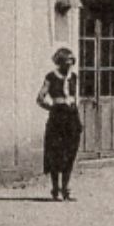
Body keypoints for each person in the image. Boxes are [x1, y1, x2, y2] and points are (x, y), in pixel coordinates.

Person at [38, 47, 83, 201]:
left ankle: (66, 189)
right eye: (66, 62)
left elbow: (75, 97)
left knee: (70, 153)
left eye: (71, 62)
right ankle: (55, 190)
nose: (69, 65)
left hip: (71, 118)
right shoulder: (51, 77)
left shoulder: (74, 77)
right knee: (56, 154)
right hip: (57, 120)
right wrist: (52, 108)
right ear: (59, 62)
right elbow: (40, 98)